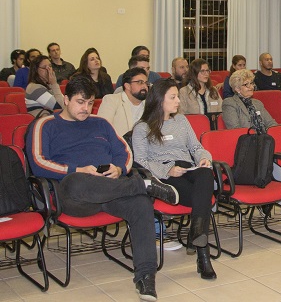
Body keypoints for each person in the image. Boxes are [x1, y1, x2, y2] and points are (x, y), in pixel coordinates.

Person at [26, 75, 179, 301]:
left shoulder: (101, 123)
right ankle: (143, 184)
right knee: (76, 182)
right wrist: (76, 169)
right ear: (66, 100)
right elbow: (38, 162)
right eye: (80, 102)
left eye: (90, 103)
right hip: (74, 196)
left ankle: (146, 277)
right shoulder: (46, 124)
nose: (86, 108)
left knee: (140, 204)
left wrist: (119, 169)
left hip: (112, 190)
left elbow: (125, 152)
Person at [132, 79, 217, 280]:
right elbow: (141, 161)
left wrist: (205, 158)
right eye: (173, 97)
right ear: (159, 100)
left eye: (177, 96)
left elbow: (196, 147)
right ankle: (202, 255)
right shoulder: (142, 128)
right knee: (202, 198)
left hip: (189, 167)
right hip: (166, 174)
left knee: (206, 173)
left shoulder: (181, 121)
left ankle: (195, 232)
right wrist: (167, 170)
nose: (178, 101)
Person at [98, 67, 149, 136]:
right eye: (140, 82)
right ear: (127, 86)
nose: (144, 86)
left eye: (146, 83)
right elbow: (102, 129)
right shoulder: (111, 100)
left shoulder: (150, 104)